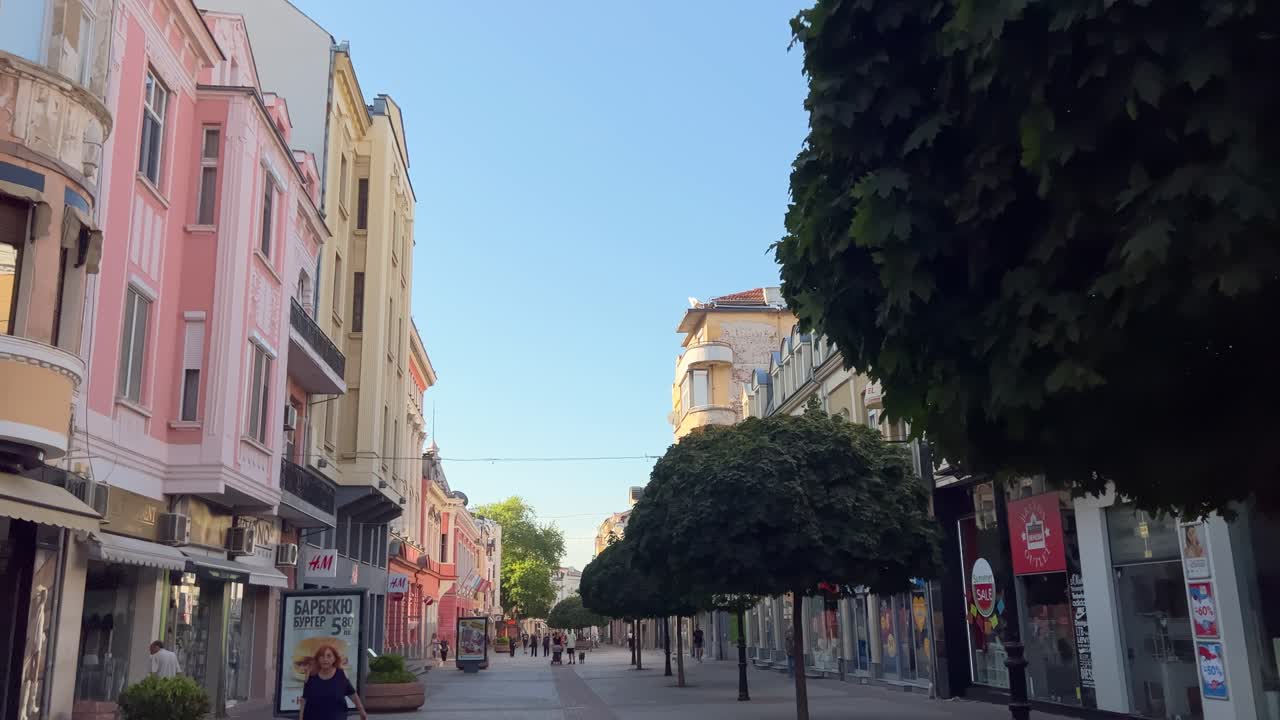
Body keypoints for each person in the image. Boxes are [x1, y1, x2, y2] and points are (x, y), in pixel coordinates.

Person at [299, 644, 367, 720]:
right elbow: (304, 700)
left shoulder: (341, 674)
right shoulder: (311, 675)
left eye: (329, 656)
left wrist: (362, 711)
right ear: (318, 659)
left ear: (334, 659)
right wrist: (301, 718)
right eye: (321, 656)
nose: (325, 659)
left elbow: (352, 694)